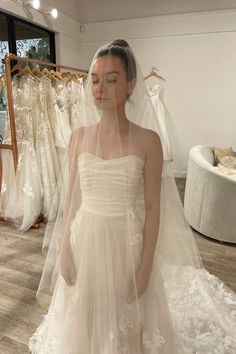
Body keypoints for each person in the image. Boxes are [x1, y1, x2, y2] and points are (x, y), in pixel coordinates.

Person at [29, 40, 236, 354]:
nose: (100, 88)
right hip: (85, 239)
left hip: (126, 244)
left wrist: (144, 268)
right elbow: (71, 197)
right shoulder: (79, 137)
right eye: (95, 79)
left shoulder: (148, 141)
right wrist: (64, 253)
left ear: (130, 86)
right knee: (84, 318)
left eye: (111, 79)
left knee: (128, 322)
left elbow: (153, 209)